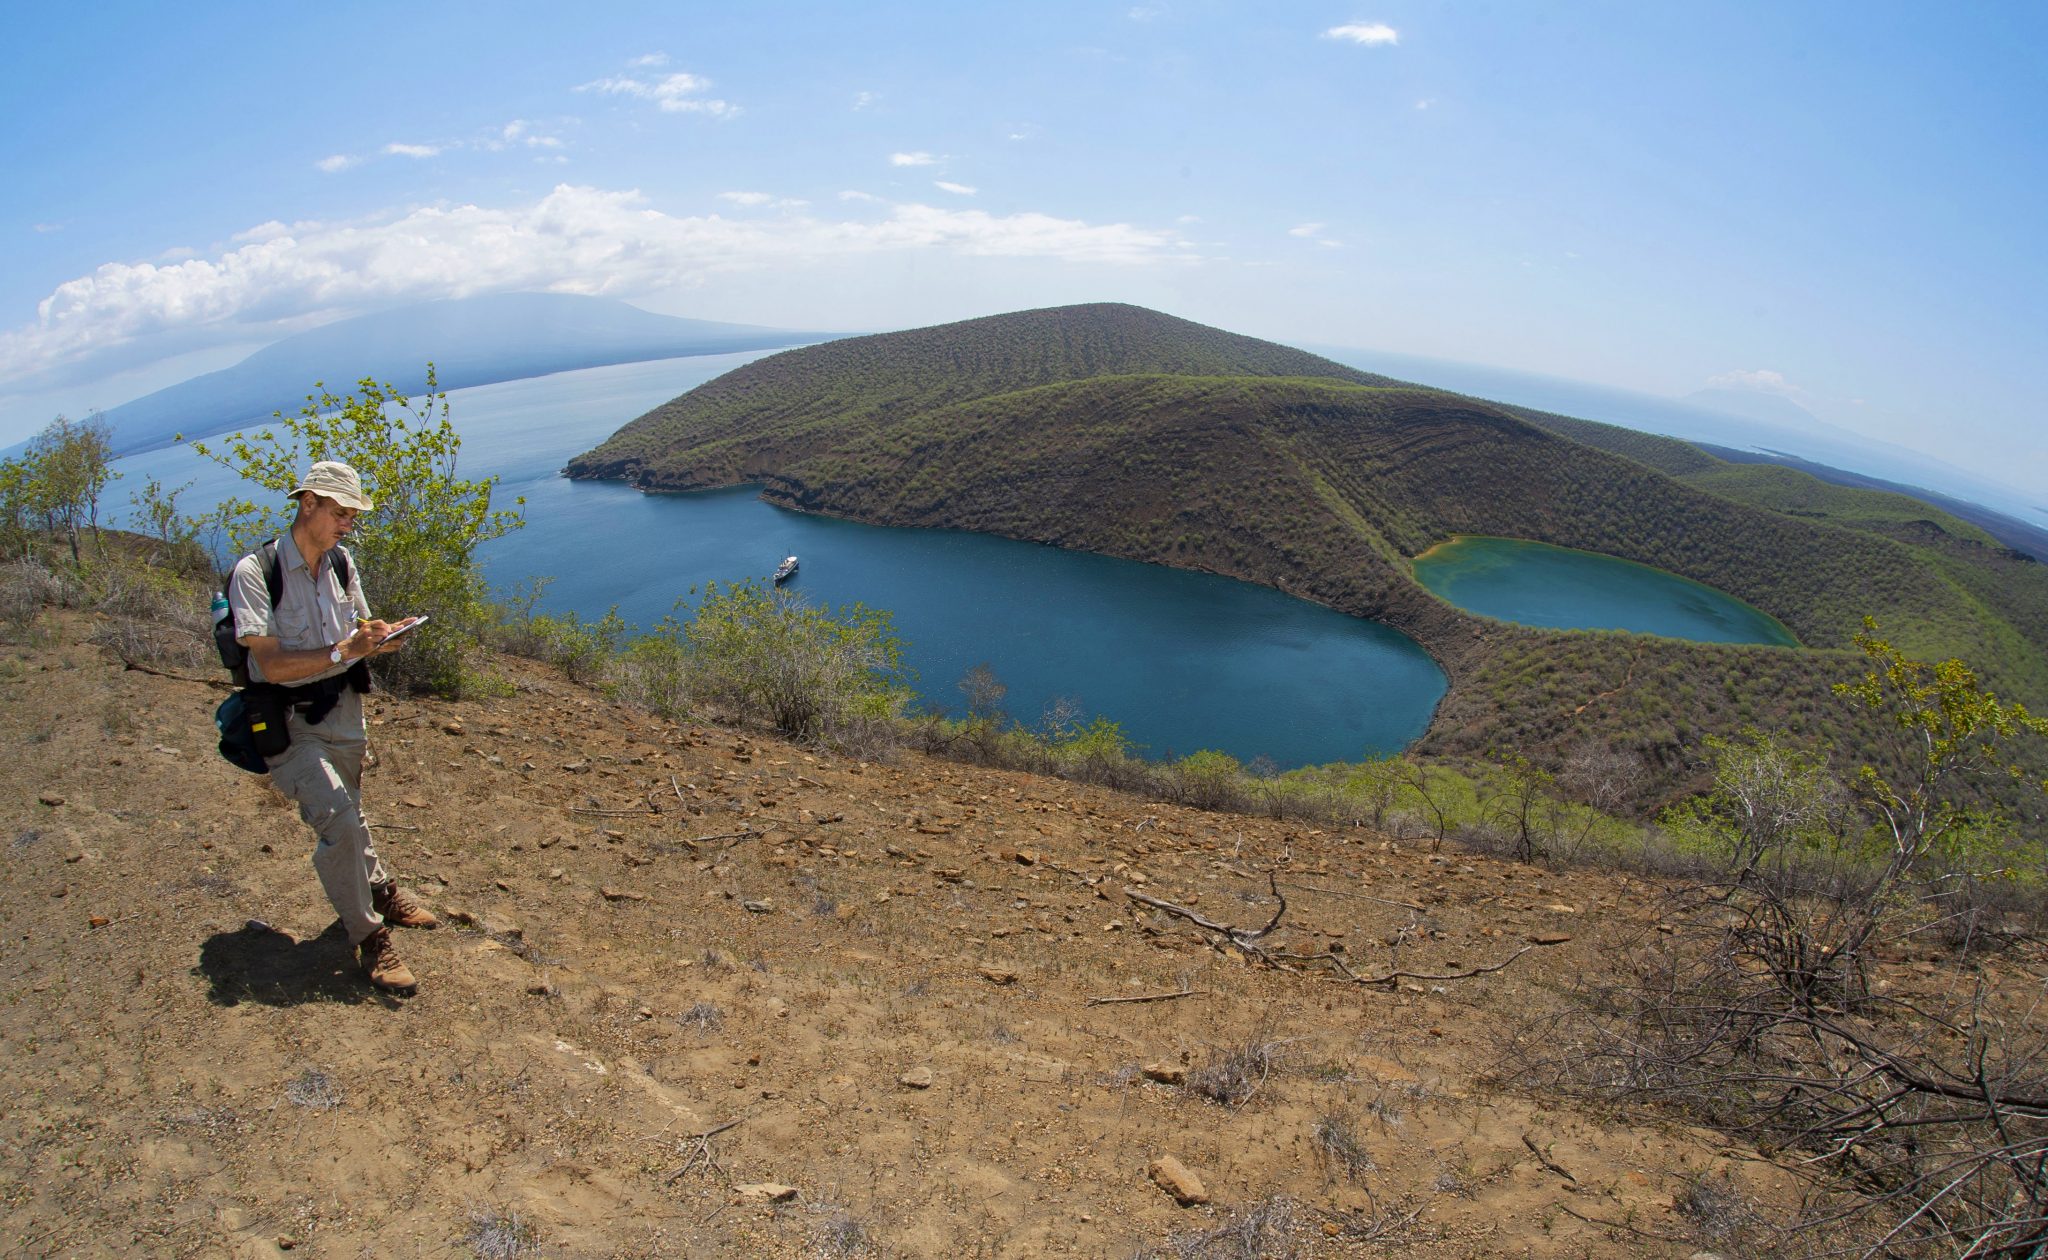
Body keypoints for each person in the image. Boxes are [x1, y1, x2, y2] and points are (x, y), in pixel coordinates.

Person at [227, 460, 438, 994]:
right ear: (308, 505)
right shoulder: (256, 573)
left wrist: (384, 635)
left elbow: (362, 628)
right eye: (340, 513)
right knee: (339, 821)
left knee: (350, 807)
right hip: (287, 719)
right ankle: (369, 938)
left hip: (343, 708)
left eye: (352, 515)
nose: (348, 524)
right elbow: (270, 665)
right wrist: (347, 648)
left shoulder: (342, 562)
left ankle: (379, 888)